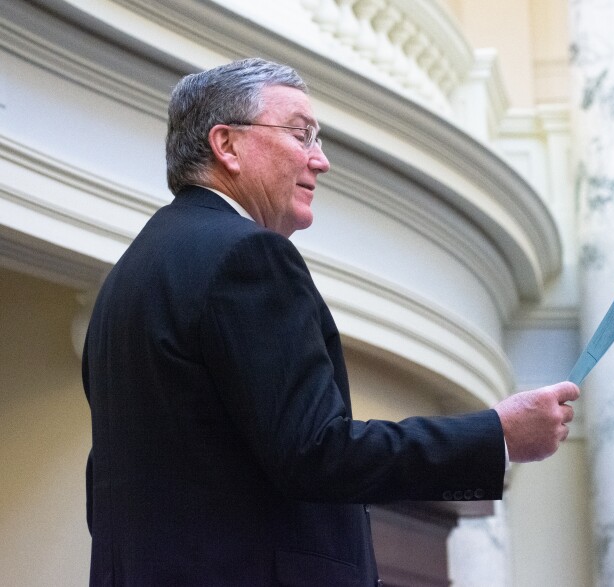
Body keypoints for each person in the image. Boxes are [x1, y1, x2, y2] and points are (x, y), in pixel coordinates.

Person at [82, 57, 580, 586]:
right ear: (226, 145)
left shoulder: (125, 280)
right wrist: (496, 435)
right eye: (302, 134)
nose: (320, 161)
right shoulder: (248, 256)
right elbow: (316, 451)